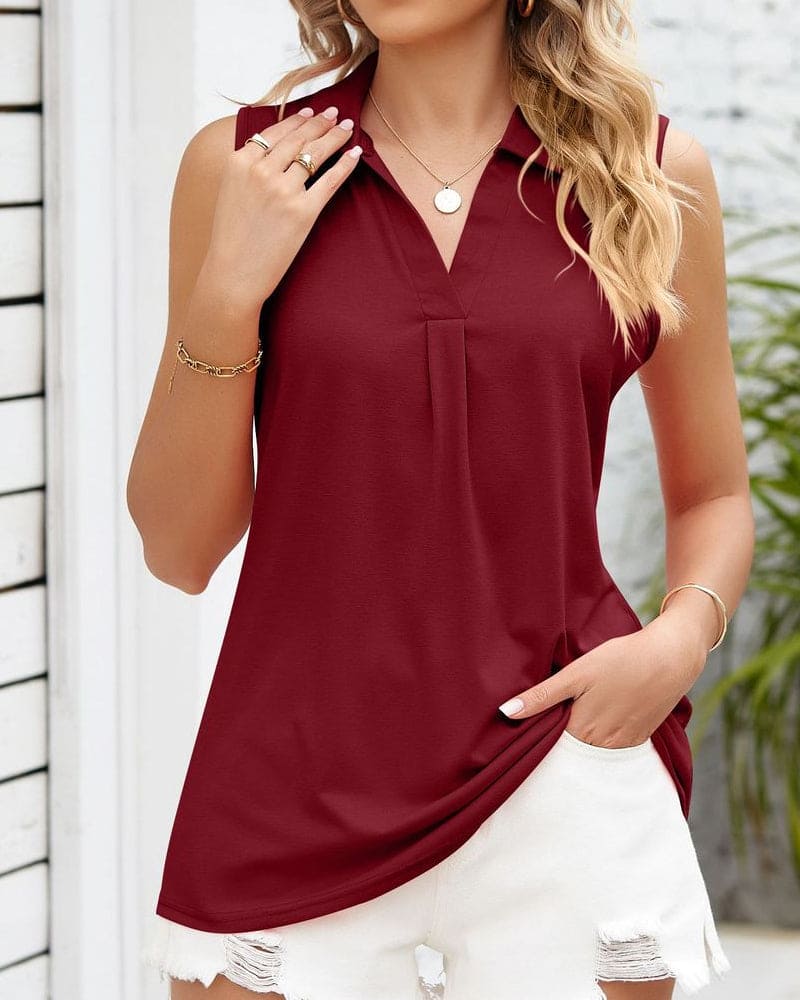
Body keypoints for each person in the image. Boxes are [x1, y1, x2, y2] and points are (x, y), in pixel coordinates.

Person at [128, 1, 755, 997]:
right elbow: (178, 547)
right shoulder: (244, 169)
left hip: (560, 754)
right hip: (292, 779)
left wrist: (677, 641)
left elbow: (713, 492)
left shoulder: (643, 176)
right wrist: (227, 293)